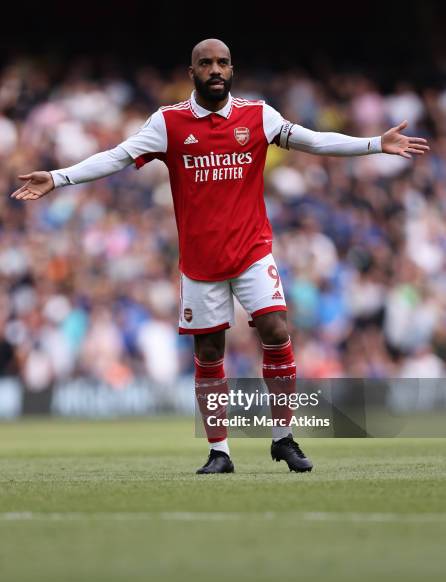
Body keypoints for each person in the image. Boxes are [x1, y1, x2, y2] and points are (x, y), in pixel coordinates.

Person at [11, 39, 429, 474]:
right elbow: (117, 157)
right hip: (200, 262)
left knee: (275, 326)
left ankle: (283, 439)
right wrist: (57, 178)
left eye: (223, 63)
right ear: (191, 72)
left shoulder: (258, 115)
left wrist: (375, 144)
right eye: (206, 63)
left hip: (251, 251)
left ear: (233, 70)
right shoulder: (168, 123)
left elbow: (314, 141)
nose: (216, 69)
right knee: (210, 352)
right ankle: (220, 451)